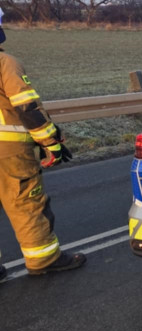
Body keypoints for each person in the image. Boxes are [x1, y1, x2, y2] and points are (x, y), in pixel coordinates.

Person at [0, 24, 83, 281]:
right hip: (9, 152)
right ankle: (43, 259)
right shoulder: (5, 63)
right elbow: (26, 107)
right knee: (26, 204)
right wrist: (50, 142)